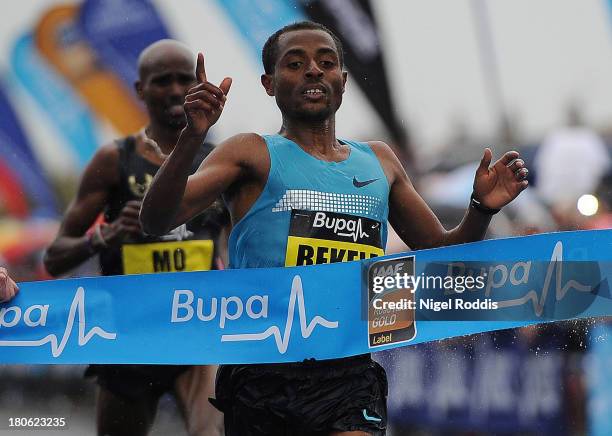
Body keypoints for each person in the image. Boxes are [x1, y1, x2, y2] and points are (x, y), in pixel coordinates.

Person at [140, 21, 529, 436]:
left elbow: (440, 251)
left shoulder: (379, 161)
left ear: (341, 82)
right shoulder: (250, 152)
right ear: (269, 84)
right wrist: (190, 138)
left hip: (349, 372)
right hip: (262, 372)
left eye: (326, 63)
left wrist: (480, 209)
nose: (313, 71)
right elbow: (157, 219)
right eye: (295, 63)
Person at [44, 40, 226, 436]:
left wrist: (227, 263)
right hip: (129, 333)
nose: (177, 90)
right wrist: (103, 238)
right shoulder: (114, 160)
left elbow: (234, 235)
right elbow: (54, 259)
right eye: (163, 81)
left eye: (185, 79)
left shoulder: (219, 160)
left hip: (196, 328)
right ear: (140, 89)